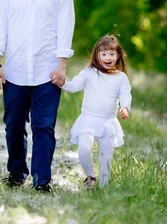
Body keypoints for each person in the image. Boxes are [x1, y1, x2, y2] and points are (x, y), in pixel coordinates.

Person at [0, 0, 75, 193]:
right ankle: (16, 174)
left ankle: (42, 180)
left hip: (47, 72)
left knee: (43, 127)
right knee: (14, 126)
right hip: (14, 71)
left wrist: (61, 67)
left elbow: (65, 30)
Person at [53, 35, 131, 190]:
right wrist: (62, 83)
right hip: (88, 119)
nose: (107, 58)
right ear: (96, 55)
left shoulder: (121, 78)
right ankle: (90, 176)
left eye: (111, 54)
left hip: (108, 122)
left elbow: (126, 94)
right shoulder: (89, 73)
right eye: (103, 54)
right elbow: (74, 86)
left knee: (106, 159)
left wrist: (125, 107)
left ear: (118, 56)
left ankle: (103, 189)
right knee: (84, 149)